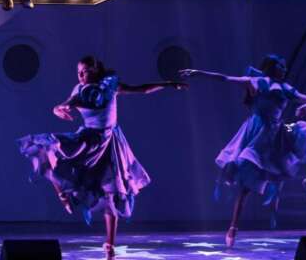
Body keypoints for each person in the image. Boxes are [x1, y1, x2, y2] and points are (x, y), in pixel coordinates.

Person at [17, 55, 186, 259]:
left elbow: (141, 89)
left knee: (111, 192)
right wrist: (59, 108)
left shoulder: (109, 87)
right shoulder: (80, 90)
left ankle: (110, 245)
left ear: (96, 70)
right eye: (78, 72)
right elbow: (68, 102)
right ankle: (63, 194)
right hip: (89, 141)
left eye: (85, 71)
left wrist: (167, 84)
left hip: (110, 142)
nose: (81, 75)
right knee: (47, 148)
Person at [180, 54, 306, 247]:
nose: (284, 70)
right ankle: (233, 227)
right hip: (256, 134)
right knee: (246, 184)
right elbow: (225, 78)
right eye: (280, 66)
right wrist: (198, 73)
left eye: (284, 67)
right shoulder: (255, 81)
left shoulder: (285, 88)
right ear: (271, 67)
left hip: (278, 131)